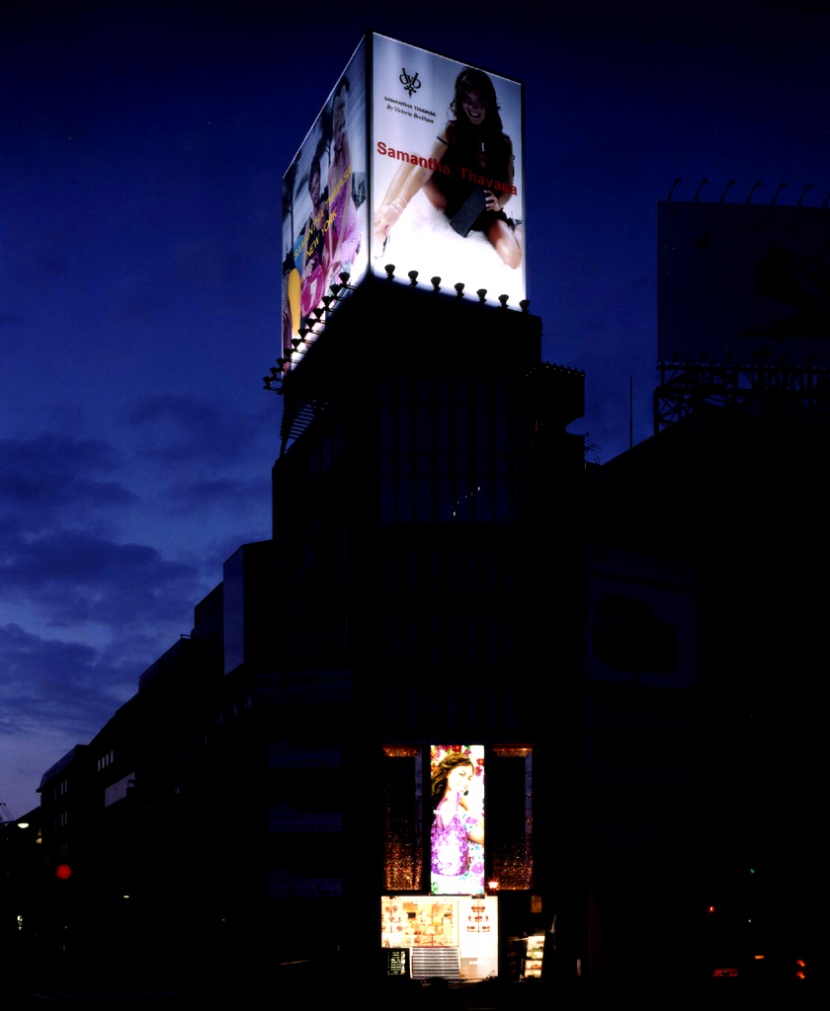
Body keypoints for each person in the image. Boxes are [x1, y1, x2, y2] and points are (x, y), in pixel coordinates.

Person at [374, 68, 522, 270]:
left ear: (489, 103)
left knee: (513, 259)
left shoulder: (504, 143)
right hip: (451, 201)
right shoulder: (452, 130)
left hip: (485, 213)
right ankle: (381, 223)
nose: (473, 108)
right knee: (413, 159)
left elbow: (507, 188)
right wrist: (397, 208)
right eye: (467, 101)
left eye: (479, 101)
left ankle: (515, 226)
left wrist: (498, 203)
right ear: (460, 102)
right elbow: (426, 170)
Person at [430, 752, 484, 894]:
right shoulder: (454, 807)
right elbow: (486, 838)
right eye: (461, 774)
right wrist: (469, 806)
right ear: (447, 773)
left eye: (469, 778)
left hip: (444, 881)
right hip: (464, 884)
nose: (466, 781)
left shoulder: (437, 804)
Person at [325, 79, 361, 289]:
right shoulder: (348, 250)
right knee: (341, 130)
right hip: (343, 203)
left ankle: (342, 100)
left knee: (339, 134)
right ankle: (343, 99)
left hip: (340, 209)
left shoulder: (348, 253)